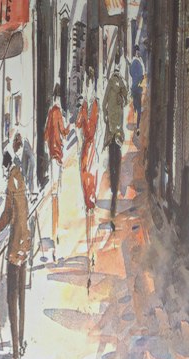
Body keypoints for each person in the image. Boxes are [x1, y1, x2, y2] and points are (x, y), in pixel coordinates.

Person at [0, 147, 30, 359]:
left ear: (5, 165)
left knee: (11, 299)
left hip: (15, 247)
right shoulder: (21, 178)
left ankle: (15, 358)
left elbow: (7, 215)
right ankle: (22, 343)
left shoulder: (10, 183)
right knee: (21, 298)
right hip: (26, 241)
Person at [103, 56, 130, 230]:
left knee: (112, 156)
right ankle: (115, 183)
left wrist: (107, 120)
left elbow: (105, 103)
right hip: (118, 129)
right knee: (117, 157)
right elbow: (126, 101)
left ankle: (113, 183)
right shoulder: (122, 85)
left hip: (111, 129)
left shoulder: (110, 86)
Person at [76, 69, 99, 270]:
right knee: (87, 205)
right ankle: (89, 251)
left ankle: (92, 251)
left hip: (92, 157)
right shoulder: (86, 107)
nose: (87, 88)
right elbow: (77, 126)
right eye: (85, 85)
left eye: (88, 84)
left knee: (92, 205)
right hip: (86, 156)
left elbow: (96, 132)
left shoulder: (95, 106)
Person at [43, 84, 68, 251]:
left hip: (51, 154)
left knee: (53, 193)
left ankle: (54, 230)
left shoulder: (50, 113)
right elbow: (64, 132)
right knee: (56, 195)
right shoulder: (58, 112)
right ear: (59, 97)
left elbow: (45, 135)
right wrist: (68, 129)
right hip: (57, 156)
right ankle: (55, 232)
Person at [130, 50, 146, 137]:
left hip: (134, 88)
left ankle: (136, 123)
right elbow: (143, 75)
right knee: (138, 107)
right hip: (138, 88)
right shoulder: (140, 63)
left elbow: (131, 74)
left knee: (135, 106)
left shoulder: (133, 63)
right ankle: (137, 125)